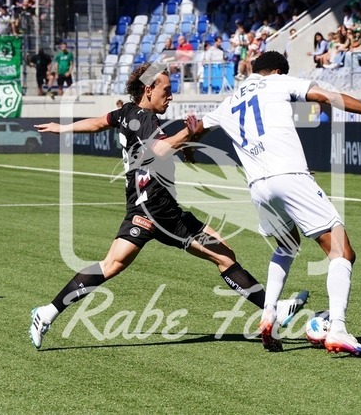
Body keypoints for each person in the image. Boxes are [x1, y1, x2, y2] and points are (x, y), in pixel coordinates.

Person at [28, 62, 308, 350]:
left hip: (154, 209)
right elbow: (160, 149)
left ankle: (46, 313)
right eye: (167, 90)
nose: (171, 96)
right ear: (148, 90)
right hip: (156, 212)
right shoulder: (145, 118)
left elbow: (99, 122)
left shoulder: (127, 112)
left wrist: (63, 127)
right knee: (217, 257)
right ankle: (272, 309)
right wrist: (189, 132)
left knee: (211, 256)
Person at [192, 51, 361, 356]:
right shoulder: (278, 83)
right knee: (342, 252)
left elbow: (194, 129)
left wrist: (178, 149)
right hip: (289, 177)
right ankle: (338, 329)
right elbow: (328, 97)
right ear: (278, 71)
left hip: (258, 187)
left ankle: (269, 314)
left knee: (286, 246)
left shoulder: (229, 101)